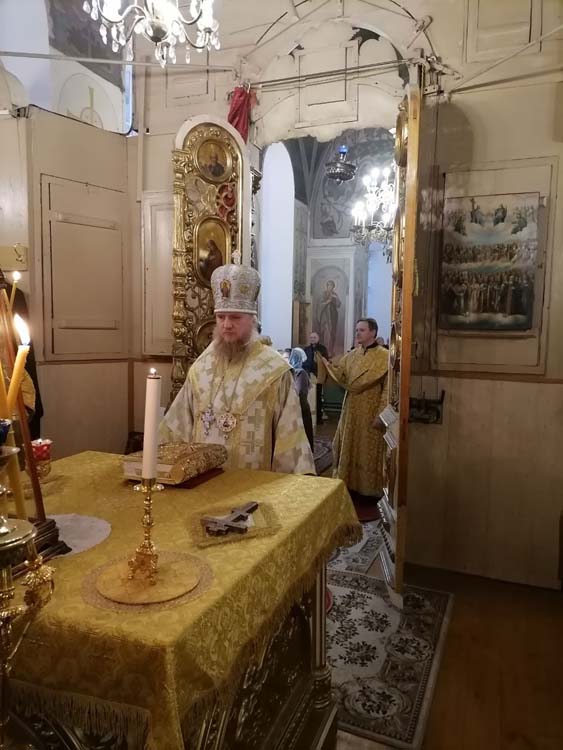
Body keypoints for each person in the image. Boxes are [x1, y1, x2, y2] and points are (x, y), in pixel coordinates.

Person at [159, 264, 315, 474]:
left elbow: (290, 440)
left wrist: (291, 487)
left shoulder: (274, 371)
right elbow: (175, 429)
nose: (226, 325)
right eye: (221, 317)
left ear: (252, 320)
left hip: (254, 485)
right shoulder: (201, 368)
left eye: (235, 317)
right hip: (203, 482)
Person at [322, 318, 388, 500]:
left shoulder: (384, 357)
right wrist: (327, 366)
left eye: (362, 330)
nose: (357, 333)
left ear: (373, 332)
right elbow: (341, 375)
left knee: (367, 448)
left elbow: (388, 389)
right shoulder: (352, 355)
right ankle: (349, 483)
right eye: (357, 330)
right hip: (351, 408)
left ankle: (368, 489)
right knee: (348, 444)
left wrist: (381, 414)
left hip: (370, 410)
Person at [289, 348, 314, 452]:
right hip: (296, 408)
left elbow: (300, 392)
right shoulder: (294, 372)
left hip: (299, 408)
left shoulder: (299, 373)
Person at [303, 332, 329, 426]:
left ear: (318, 338)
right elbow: (304, 361)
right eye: (311, 337)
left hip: (318, 376)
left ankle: (318, 418)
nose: (312, 339)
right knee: (308, 397)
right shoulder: (306, 349)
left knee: (318, 398)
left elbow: (325, 362)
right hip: (308, 376)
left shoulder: (322, 349)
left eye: (314, 337)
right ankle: (309, 418)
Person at [318, 280, 340, 357]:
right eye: (329, 285)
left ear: (333, 287)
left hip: (333, 316)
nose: (330, 287)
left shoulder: (335, 294)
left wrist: (336, 299)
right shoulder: (323, 294)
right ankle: (325, 351)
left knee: (332, 332)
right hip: (325, 316)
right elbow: (320, 305)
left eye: (331, 286)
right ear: (327, 286)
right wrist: (328, 301)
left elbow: (338, 305)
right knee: (326, 332)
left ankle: (330, 350)